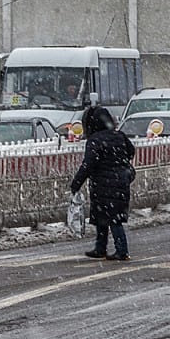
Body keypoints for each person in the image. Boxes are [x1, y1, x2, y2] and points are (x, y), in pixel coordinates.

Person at [69, 105, 136, 261]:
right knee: (109, 216)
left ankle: (119, 250)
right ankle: (103, 248)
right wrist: (118, 161)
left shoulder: (95, 140)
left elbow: (88, 165)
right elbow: (131, 151)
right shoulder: (119, 136)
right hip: (120, 181)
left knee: (107, 217)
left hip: (102, 182)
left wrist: (76, 184)